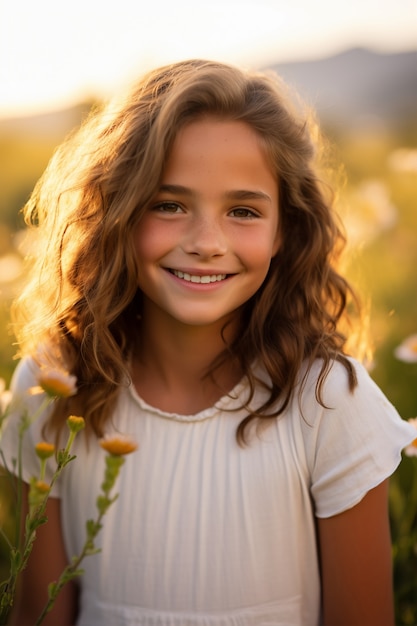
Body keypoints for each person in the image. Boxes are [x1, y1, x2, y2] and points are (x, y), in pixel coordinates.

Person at [1, 59, 415, 626]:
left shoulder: (328, 402)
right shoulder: (55, 384)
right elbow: (38, 614)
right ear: (116, 210)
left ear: (285, 230)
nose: (206, 242)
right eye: (169, 204)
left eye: (242, 211)